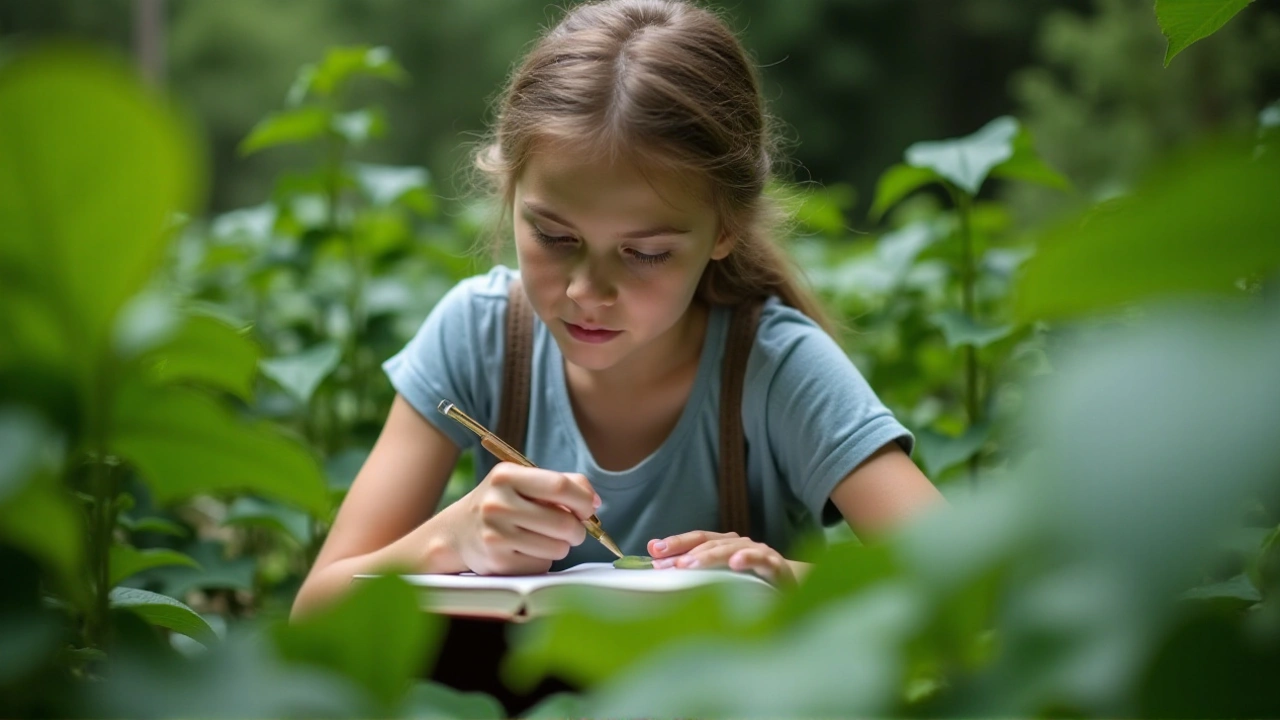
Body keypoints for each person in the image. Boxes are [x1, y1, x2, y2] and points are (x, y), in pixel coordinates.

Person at [292, 0, 941, 619]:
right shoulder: (480, 333)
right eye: (554, 237)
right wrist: (449, 542)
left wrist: (784, 581)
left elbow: (961, 588)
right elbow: (313, 613)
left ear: (725, 229)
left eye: (646, 253)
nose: (585, 292)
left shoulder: (774, 366)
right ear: (510, 190)